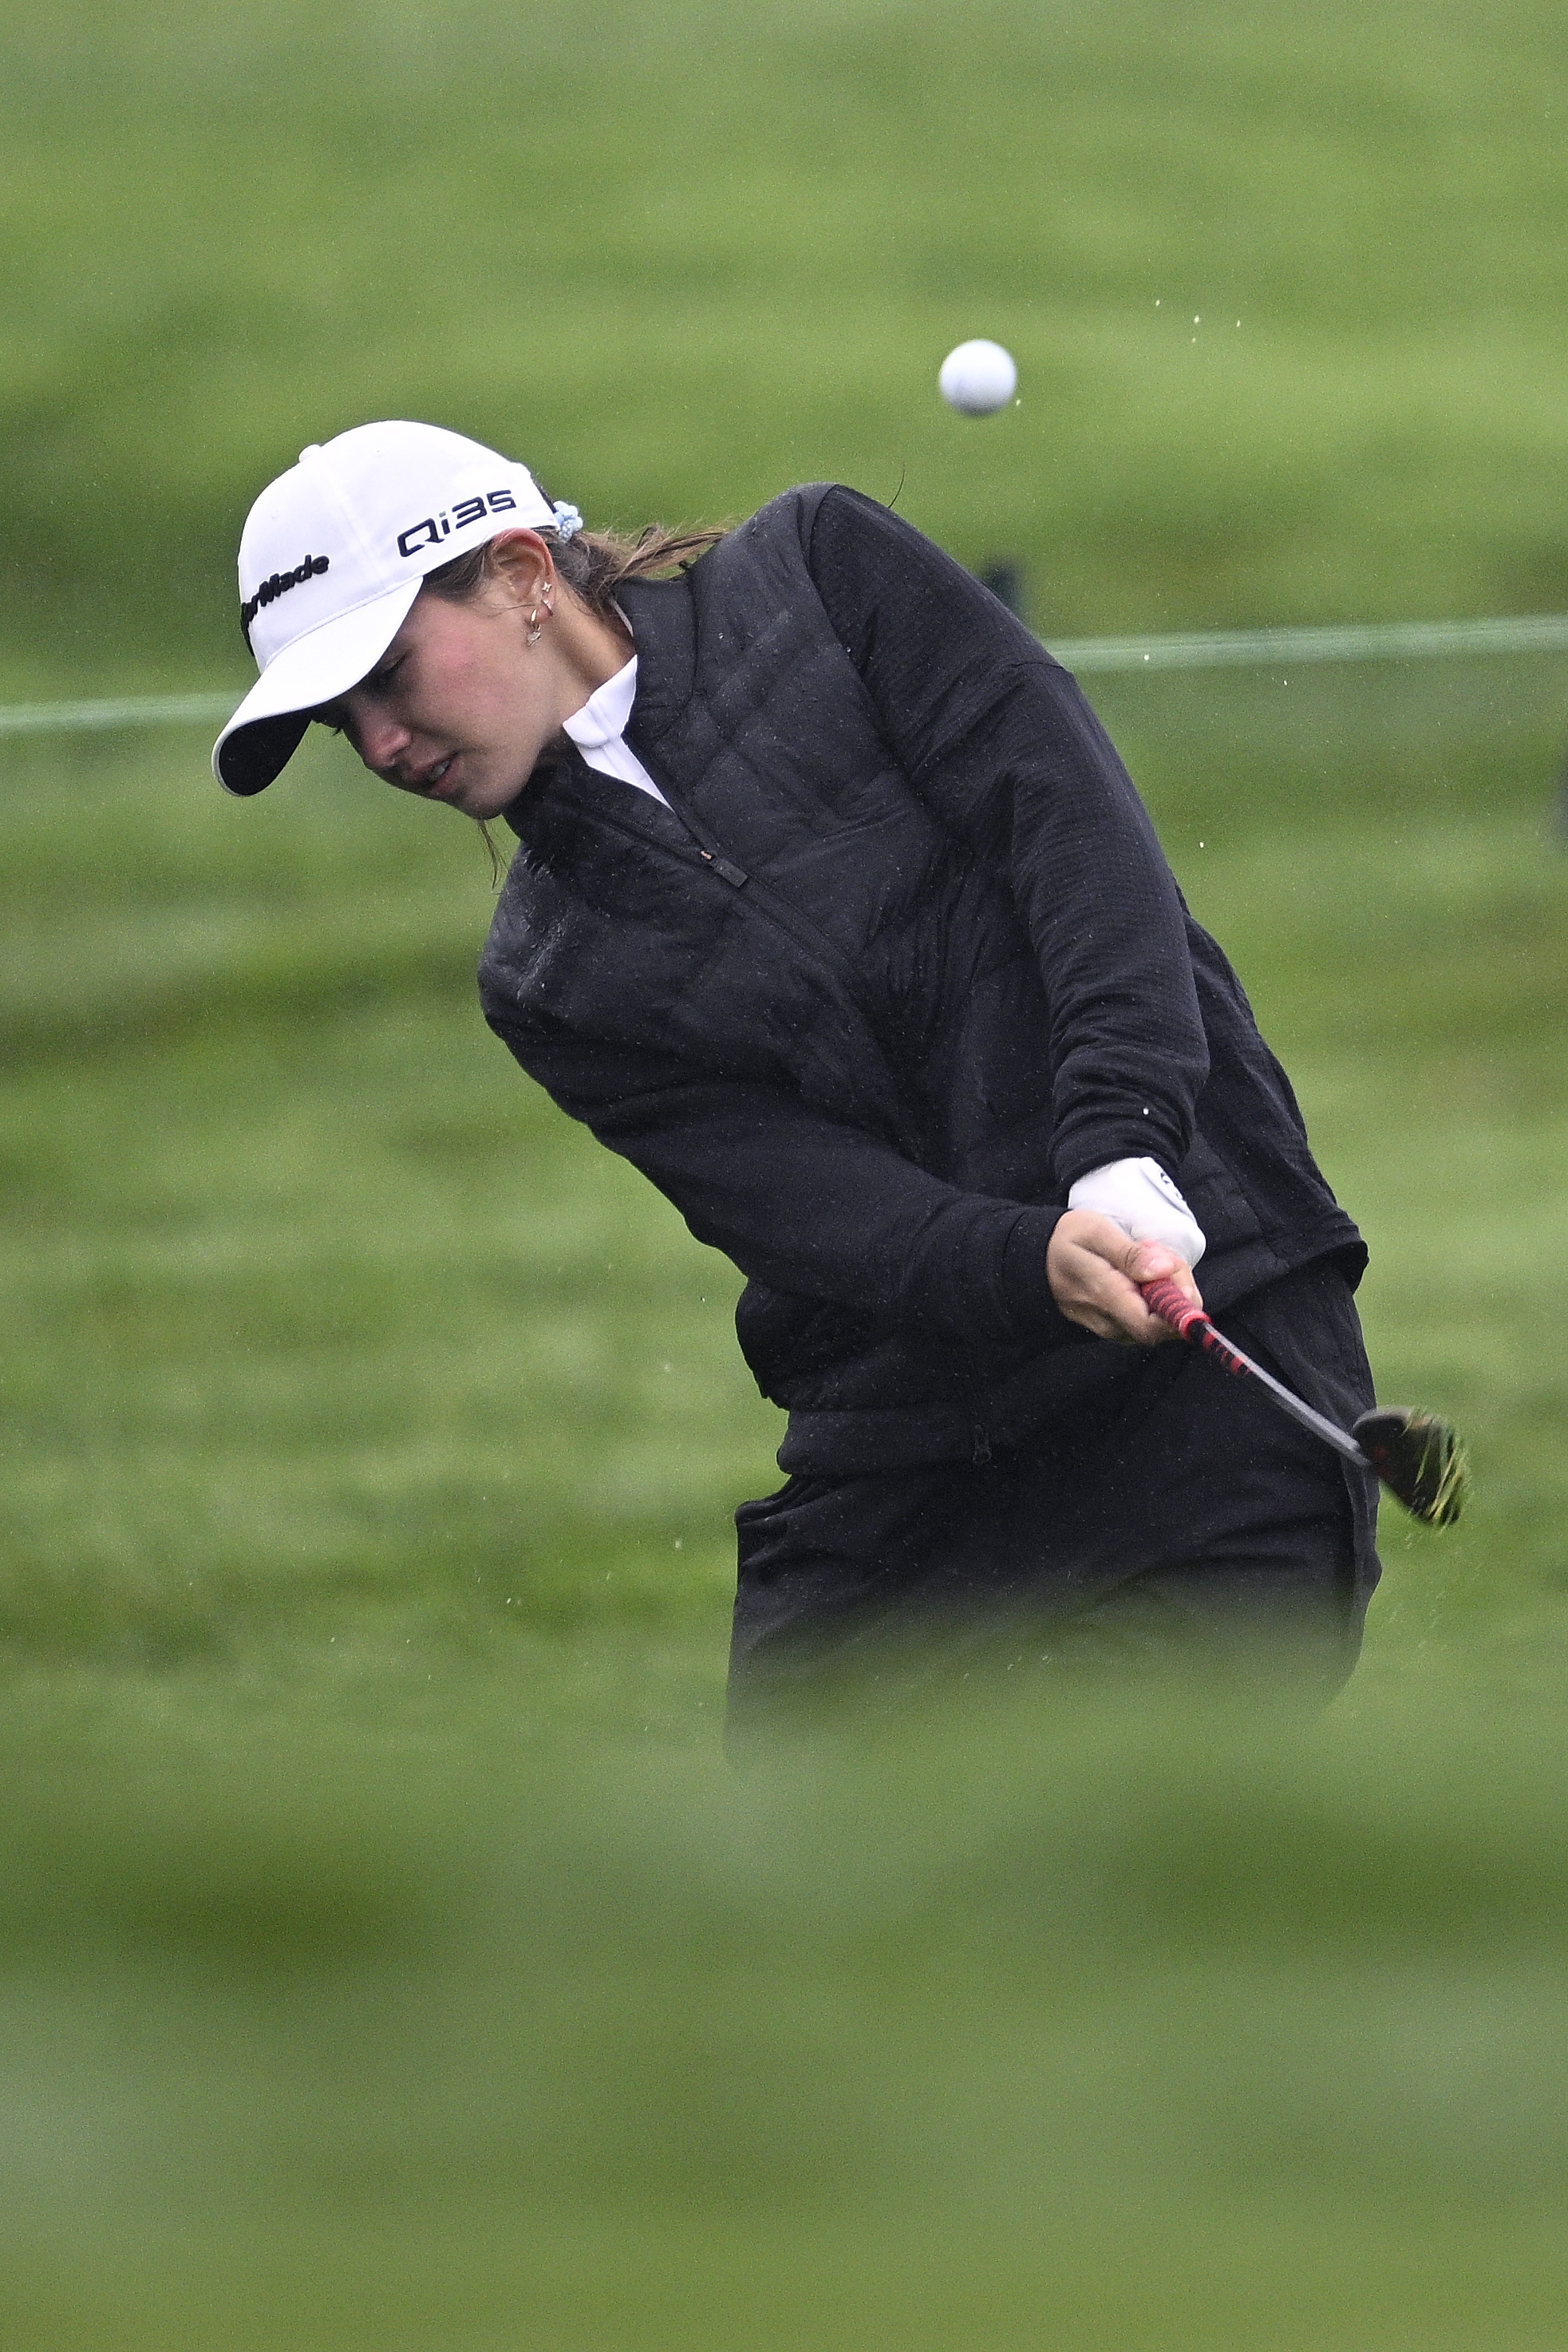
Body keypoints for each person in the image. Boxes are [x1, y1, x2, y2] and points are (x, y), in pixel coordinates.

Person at [215, 420, 1380, 1727]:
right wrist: (1030, 1256)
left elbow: (1080, 848)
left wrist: (1126, 1138)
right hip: (909, 1462)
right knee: (791, 1900)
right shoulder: (547, 978)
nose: (377, 745)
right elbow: (827, 1218)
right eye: (338, 722)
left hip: (1208, 1365)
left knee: (1104, 1861)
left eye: (389, 676)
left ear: (522, 570)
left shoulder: (825, 578)